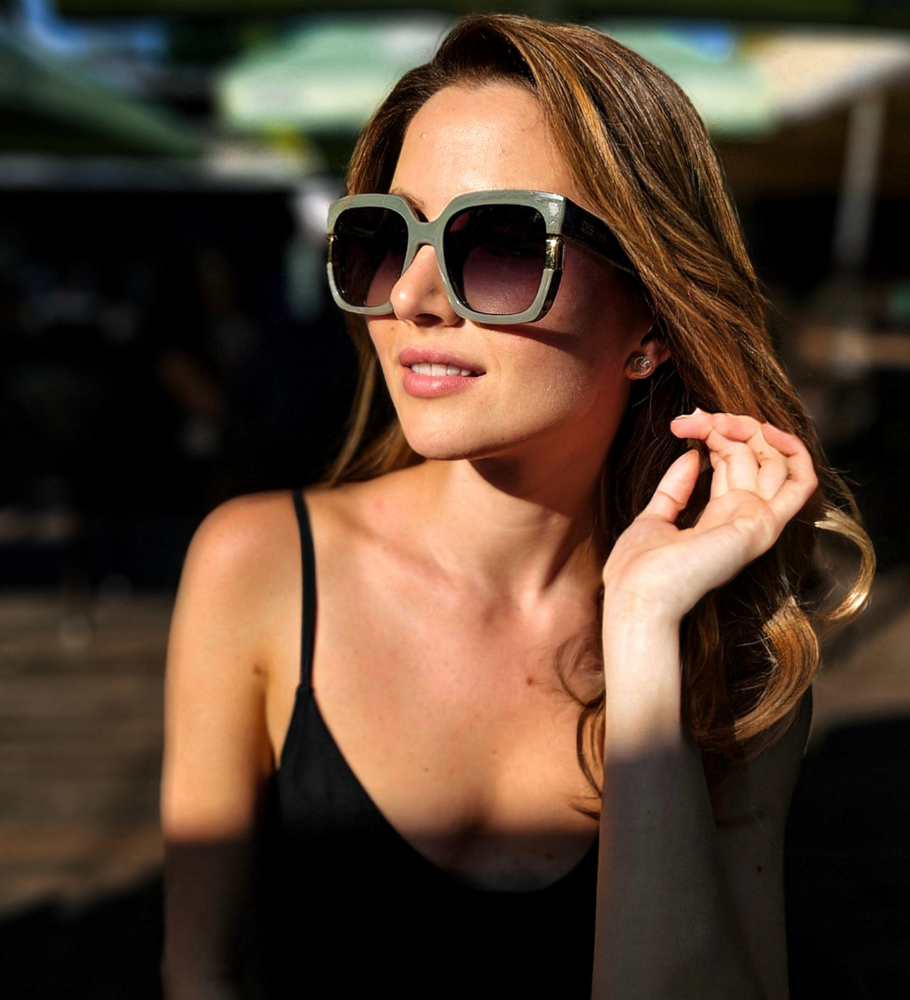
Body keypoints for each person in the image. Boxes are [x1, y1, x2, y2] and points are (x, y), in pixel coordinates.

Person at [160, 14, 873, 1000]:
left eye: (496, 242)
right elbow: (203, 972)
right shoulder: (258, 565)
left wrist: (643, 630)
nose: (411, 295)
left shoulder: (734, 641)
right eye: (383, 236)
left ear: (651, 318)